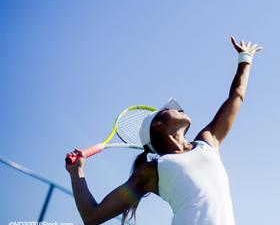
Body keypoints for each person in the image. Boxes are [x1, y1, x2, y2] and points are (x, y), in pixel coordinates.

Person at [65, 37, 263, 225]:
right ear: (157, 124)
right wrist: (77, 172)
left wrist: (245, 59)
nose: (179, 108)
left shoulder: (207, 141)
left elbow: (236, 96)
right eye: (171, 108)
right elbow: (92, 217)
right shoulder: (151, 171)